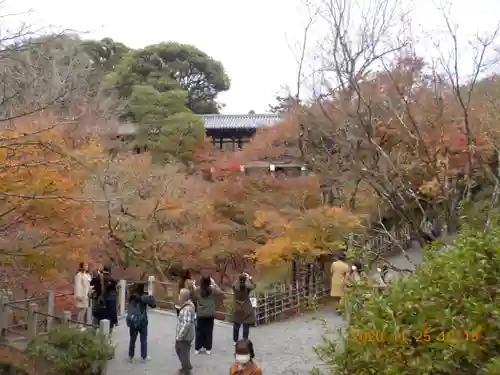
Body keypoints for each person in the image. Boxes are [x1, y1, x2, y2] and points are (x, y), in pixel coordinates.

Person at [127, 282, 156, 363]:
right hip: (142, 322)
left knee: (132, 339)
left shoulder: (132, 297)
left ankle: (130, 356)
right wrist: (150, 296)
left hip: (133, 321)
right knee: (143, 340)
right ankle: (144, 356)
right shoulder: (144, 297)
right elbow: (153, 305)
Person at [192, 275, 222, 355]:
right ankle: (208, 348)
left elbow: (194, 295)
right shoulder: (212, 289)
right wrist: (214, 283)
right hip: (210, 313)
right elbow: (220, 292)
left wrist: (194, 285)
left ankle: (197, 348)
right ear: (209, 281)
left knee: (199, 331)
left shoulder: (198, 290)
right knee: (209, 331)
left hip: (200, 313)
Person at [91, 264, 118, 334]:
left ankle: (93, 332)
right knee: (110, 317)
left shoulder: (98, 277)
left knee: (97, 316)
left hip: (100, 300)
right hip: (109, 301)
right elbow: (116, 283)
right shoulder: (112, 279)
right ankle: (108, 335)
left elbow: (91, 283)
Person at [175, 288, 195, 375]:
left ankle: (187, 369)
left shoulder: (187, 309)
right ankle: (185, 367)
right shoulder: (187, 306)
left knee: (181, 351)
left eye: (180, 294)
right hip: (187, 335)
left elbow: (186, 324)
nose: (178, 296)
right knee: (182, 351)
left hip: (184, 336)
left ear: (183, 296)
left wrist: (180, 336)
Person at [232, 272, 256, 344]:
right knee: (246, 325)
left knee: (236, 325)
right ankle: (245, 340)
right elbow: (254, 286)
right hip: (246, 307)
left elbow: (235, 283)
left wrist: (240, 278)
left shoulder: (235, 287)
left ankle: (235, 340)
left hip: (237, 308)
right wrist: (250, 278)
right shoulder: (247, 288)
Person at [74, 262, 91, 327]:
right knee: (81, 309)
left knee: (84, 309)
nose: (87, 267)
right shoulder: (79, 275)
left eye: (87, 265)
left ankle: (81, 324)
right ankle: (80, 324)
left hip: (85, 294)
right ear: (82, 266)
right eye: (85, 265)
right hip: (81, 294)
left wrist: (90, 289)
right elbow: (77, 285)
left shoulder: (86, 275)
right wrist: (78, 295)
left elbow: (88, 285)